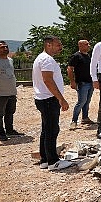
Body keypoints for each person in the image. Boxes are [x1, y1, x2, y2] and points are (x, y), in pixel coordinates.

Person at [32, 35, 73, 171]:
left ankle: (45, 159)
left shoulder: (42, 58)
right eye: (58, 44)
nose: (60, 47)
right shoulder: (47, 60)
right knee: (52, 130)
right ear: (49, 45)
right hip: (49, 99)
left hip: (43, 99)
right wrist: (61, 99)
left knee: (46, 130)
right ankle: (53, 162)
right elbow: (48, 80)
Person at [67, 39, 95, 130]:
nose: (89, 45)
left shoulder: (88, 56)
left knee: (87, 101)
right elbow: (70, 69)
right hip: (82, 83)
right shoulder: (76, 56)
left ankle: (85, 118)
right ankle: (74, 121)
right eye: (86, 44)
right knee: (81, 102)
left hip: (90, 82)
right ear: (80, 45)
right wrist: (72, 81)